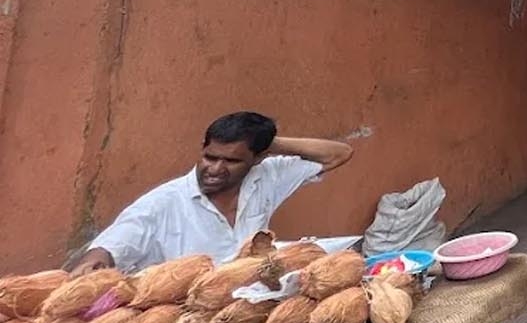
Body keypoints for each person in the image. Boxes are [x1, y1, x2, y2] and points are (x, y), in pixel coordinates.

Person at [66, 111, 354, 275]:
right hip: (176, 316)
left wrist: (270, 143)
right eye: (209, 157)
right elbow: (117, 242)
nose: (215, 169)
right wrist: (94, 262)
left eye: (231, 161)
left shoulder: (266, 176)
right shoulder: (164, 202)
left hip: (242, 304)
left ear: (257, 159)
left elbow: (338, 154)